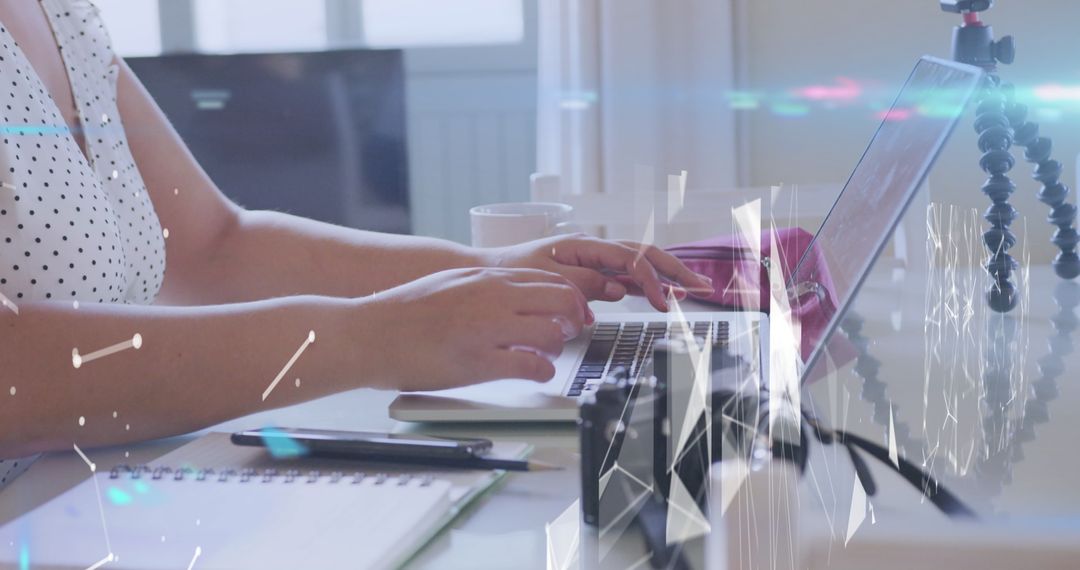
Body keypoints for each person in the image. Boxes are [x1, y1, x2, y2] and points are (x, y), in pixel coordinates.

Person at [0, 0, 713, 477]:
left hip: (92, 499)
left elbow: (212, 245)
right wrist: (370, 338)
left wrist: (485, 270)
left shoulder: (60, 11)